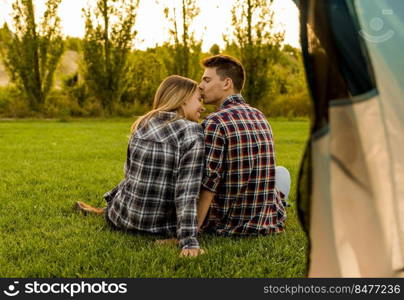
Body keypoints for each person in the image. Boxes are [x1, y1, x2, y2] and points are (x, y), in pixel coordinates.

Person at [75, 75, 206, 257]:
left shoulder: (143, 122)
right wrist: (189, 242)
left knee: (133, 178)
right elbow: (186, 191)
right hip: (159, 227)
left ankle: (104, 210)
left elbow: (130, 175)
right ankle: (103, 210)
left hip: (121, 218)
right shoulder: (192, 131)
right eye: (199, 100)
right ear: (183, 99)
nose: (203, 106)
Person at [197, 55, 290, 236]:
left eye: (206, 80)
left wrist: (192, 231)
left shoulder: (214, 122)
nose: (200, 85)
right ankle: (282, 201)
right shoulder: (259, 115)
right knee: (281, 173)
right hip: (264, 219)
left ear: (227, 83)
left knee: (280, 174)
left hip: (228, 222)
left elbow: (209, 182)